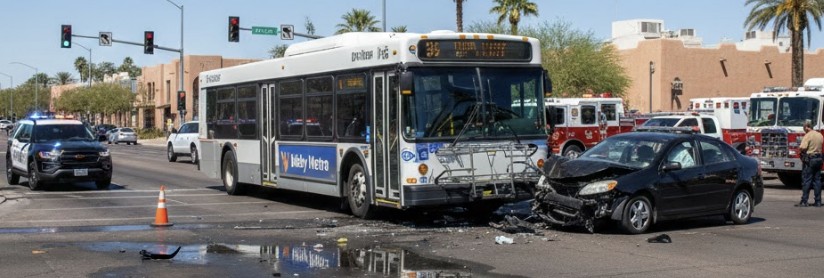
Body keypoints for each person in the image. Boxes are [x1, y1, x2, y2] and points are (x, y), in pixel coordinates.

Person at [797, 121, 823, 207]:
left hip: (810, 159)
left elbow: (803, 147)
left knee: (807, 180)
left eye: (804, 128)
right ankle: (818, 201)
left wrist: (799, 149)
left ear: (807, 127)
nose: (804, 130)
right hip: (819, 158)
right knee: (817, 180)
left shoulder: (808, 135)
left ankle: (804, 201)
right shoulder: (819, 135)